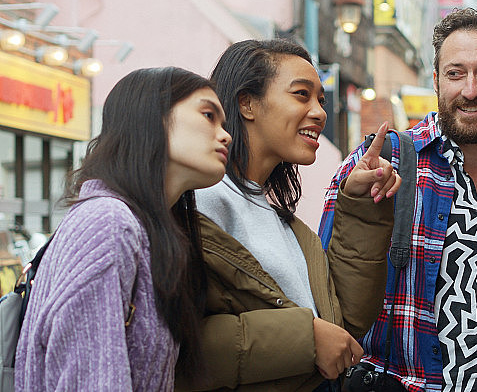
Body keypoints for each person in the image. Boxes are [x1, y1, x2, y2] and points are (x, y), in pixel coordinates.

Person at [320, 8, 477, 391]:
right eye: (455, 74)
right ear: (436, 81)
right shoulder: (381, 164)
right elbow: (324, 296)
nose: (470, 90)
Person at [179, 39, 400, 391]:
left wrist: (361, 208)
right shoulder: (199, 202)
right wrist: (307, 339)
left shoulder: (285, 223)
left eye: (321, 100)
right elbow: (181, 344)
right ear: (247, 103)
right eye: (301, 94)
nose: (319, 112)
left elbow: (346, 324)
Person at [15, 67, 231, 390]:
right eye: (208, 115)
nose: (225, 134)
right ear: (152, 117)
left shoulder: (147, 230)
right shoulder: (107, 222)